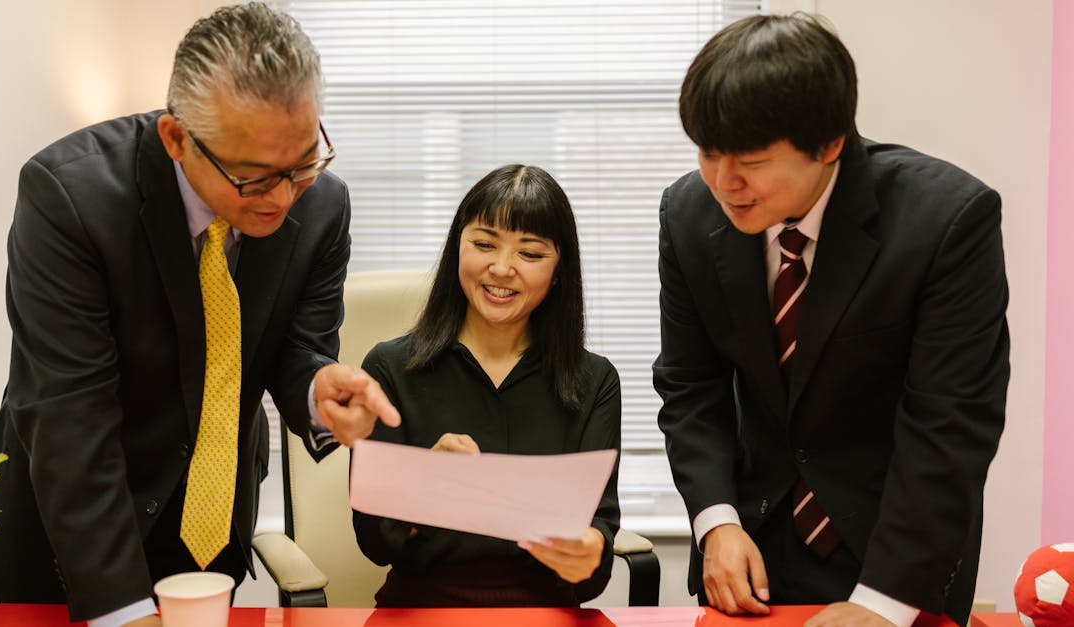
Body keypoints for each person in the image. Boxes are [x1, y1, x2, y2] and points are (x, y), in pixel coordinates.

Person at [0, 4, 400, 626]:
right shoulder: (69, 197)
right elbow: (71, 420)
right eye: (253, 178)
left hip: (206, 528)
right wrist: (124, 611)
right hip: (70, 538)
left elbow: (295, 348)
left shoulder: (324, 206)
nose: (283, 198)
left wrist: (315, 388)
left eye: (304, 162)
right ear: (177, 138)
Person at [653, 14, 1008, 627]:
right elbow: (691, 386)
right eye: (709, 153)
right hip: (752, 542)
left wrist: (881, 604)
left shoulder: (946, 222)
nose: (723, 181)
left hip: (893, 552)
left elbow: (949, 423)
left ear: (830, 144)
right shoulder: (688, 214)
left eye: (753, 159)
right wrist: (715, 520)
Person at [352, 164, 621, 607]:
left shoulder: (594, 380)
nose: (501, 268)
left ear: (559, 271)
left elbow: (597, 548)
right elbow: (375, 543)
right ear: (457, 248)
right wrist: (424, 482)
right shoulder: (389, 368)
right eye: (483, 244)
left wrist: (590, 552)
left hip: (545, 612)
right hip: (421, 609)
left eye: (530, 254)